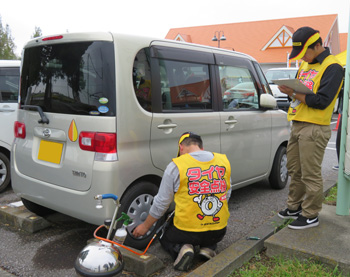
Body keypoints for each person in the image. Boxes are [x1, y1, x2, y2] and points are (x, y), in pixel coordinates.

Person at [133, 132, 231, 271]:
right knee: (209, 235)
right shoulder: (222, 162)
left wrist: (145, 226)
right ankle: (208, 248)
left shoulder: (176, 165)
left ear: (181, 148)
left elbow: (161, 203)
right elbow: (226, 194)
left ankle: (181, 248)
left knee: (164, 233)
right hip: (218, 230)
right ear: (201, 147)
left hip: (187, 231)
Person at [277, 26, 344, 229]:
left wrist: (293, 93)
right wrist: (290, 91)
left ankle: (311, 213)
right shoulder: (306, 65)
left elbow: (322, 101)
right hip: (298, 122)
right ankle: (294, 206)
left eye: (304, 52)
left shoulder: (333, 67)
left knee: (310, 173)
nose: (302, 58)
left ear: (317, 45)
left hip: (315, 127)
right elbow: (300, 91)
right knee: (294, 169)